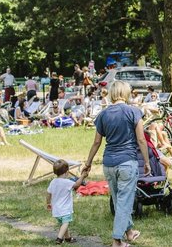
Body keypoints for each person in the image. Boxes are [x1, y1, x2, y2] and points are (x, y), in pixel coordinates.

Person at [82, 80, 150, 247]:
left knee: (119, 200)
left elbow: (96, 142)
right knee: (124, 202)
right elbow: (141, 139)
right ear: (126, 93)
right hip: (127, 161)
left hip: (109, 163)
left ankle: (129, 232)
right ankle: (117, 241)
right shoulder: (134, 112)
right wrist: (147, 162)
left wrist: (88, 163)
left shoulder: (103, 115)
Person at [47, 159, 88, 244]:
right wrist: (82, 176)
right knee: (66, 223)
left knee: (63, 224)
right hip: (65, 209)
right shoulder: (66, 182)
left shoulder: (53, 182)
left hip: (56, 209)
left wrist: (48, 203)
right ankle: (59, 238)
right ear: (66, 172)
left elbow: (48, 193)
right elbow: (77, 185)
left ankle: (68, 238)